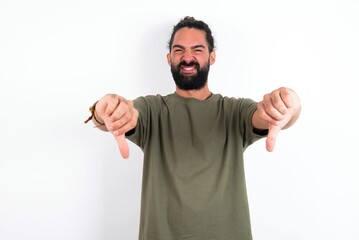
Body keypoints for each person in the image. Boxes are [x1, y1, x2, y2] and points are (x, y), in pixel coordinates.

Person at [85, 16, 301, 240]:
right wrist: (104, 109)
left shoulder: (234, 111)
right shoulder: (152, 109)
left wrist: (290, 106)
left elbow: (267, 116)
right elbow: (121, 115)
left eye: (197, 49)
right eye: (179, 50)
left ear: (212, 56)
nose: (187, 58)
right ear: (169, 58)